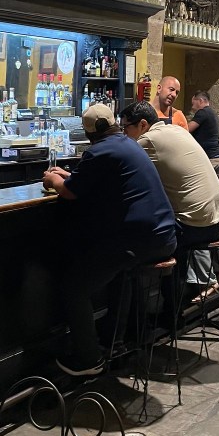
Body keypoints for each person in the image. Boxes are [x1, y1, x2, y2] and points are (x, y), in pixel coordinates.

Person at [42, 103, 176, 377]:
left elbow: (69, 192)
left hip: (139, 241)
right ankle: (115, 341)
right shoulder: (128, 145)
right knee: (118, 273)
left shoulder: (99, 150)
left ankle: (88, 359)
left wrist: (53, 180)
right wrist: (70, 177)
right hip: (164, 236)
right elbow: (92, 179)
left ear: (90, 133)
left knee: (74, 286)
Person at [120, 100, 219, 299]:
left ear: (142, 124)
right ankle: (180, 301)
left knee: (152, 244)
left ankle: (169, 309)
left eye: (126, 128)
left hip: (198, 227)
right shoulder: (177, 130)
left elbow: (121, 172)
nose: (124, 134)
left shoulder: (148, 140)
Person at [188, 90, 219, 168]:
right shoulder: (211, 112)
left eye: (193, 103)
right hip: (217, 155)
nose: (192, 107)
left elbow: (187, 129)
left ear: (200, 101)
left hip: (211, 157)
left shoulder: (202, 112)